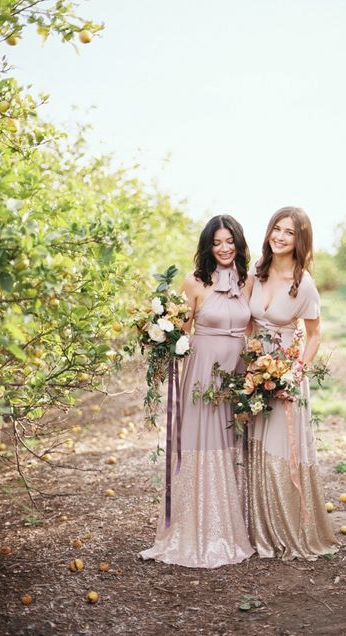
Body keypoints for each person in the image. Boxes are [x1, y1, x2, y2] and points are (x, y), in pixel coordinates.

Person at [139, 215, 254, 568]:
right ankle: (196, 532)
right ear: (208, 246)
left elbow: (252, 326)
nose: (223, 248)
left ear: (238, 243)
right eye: (217, 242)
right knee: (203, 443)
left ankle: (227, 528)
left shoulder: (247, 282)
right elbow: (181, 334)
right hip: (203, 375)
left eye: (229, 241)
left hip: (236, 375)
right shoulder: (195, 282)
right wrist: (162, 340)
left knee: (227, 443)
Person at [245, 206, 338, 560]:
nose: (280, 237)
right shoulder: (258, 269)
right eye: (276, 229)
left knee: (281, 450)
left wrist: (294, 374)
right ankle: (261, 531)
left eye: (289, 232)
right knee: (257, 445)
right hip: (255, 371)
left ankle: (291, 531)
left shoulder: (305, 283)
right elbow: (245, 319)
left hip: (285, 374)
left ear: (300, 241)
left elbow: (314, 336)